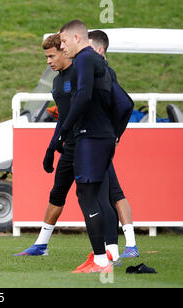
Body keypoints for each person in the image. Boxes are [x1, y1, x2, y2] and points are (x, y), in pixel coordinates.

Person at [13, 34, 118, 264]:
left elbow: (109, 104)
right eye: (46, 57)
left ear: (64, 51)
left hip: (91, 143)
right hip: (71, 145)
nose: (49, 61)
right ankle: (41, 244)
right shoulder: (57, 81)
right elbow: (63, 117)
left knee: (100, 197)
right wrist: (53, 146)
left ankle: (111, 253)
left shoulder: (82, 74)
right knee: (57, 193)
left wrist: (113, 136)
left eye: (52, 56)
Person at [56, 20, 117, 273]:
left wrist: (65, 130)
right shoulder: (99, 63)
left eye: (63, 41)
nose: (62, 46)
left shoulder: (83, 60)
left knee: (88, 196)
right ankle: (103, 256)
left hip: (90, 137)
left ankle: (102, 261)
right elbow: (121, 100)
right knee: (99, 195)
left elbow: (83, 95)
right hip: (101, 136)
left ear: (77, 38)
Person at [88, 30, 139, 258]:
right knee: (113, 193)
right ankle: (127, 245)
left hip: (99, 141)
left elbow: (126, 104)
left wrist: (114, 134)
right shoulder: (100, 71)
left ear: (100, 50)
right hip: (99, 140)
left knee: (109, 195)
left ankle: (113, 250)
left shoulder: (103, 72)